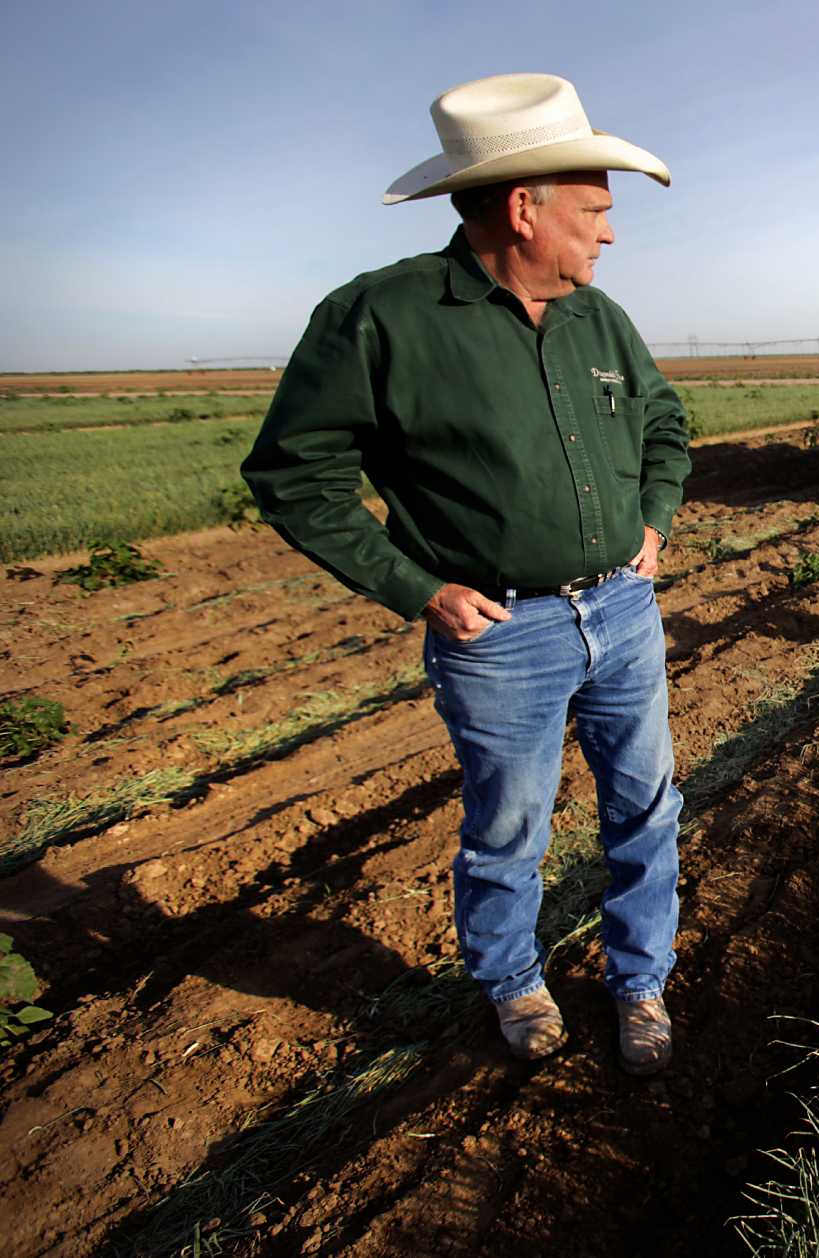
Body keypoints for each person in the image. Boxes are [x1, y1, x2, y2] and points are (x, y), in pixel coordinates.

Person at [241, 74, 691, 1075]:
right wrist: (419, 589)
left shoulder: (601, 318)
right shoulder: (379, 319)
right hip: (501, 634)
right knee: (508, 827)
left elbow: (663, 423)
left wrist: (652, 519)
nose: (609, 234)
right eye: (596, 211)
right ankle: (512, 982)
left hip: (621, 609)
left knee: (646, 805)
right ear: (524, 209)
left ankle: (640, 981)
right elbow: (292, 476)